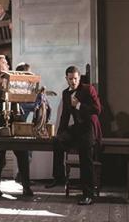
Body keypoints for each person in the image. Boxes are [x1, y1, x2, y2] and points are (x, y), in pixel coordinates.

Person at [46, 66, 102, 206]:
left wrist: (79, 105)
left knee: (85, 158)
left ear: (79, 78)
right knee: (57, 141)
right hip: (76, 128)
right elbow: (65, 116)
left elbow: (97, 110)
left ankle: (88, 195)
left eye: (76, 78)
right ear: (66, 79)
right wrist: (60, 134)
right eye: (70, 79)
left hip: (88, 128)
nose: (73, 81)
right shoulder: (66, 93)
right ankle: (58, 177)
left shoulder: (88, 89)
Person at [0, 55, 32, 198]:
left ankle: (26, 186)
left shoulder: (12, 79)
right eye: (4, 63)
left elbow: (22, 95)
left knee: (22, 154)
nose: (8, 66)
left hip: (14, 120)